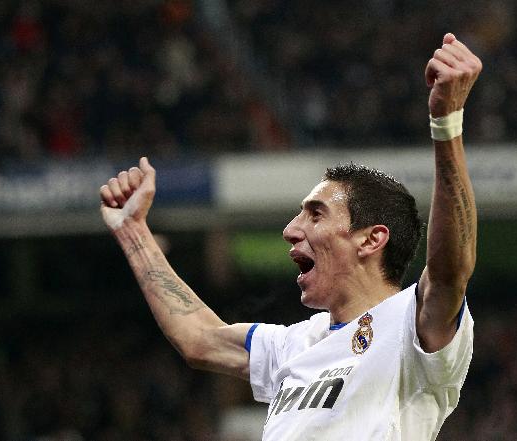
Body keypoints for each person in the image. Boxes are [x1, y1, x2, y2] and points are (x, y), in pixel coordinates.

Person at [99, 33, 481, 441]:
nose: (290, 229)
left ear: (371, 239)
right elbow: (201, 340)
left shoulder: (411, 324)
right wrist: (132, 230)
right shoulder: (296, 343)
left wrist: (446, 123)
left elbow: (449, 272)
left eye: (315, 214)